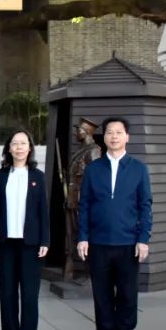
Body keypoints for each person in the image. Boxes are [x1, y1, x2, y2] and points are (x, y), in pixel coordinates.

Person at [77, 116, 152, 330]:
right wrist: (83, 237)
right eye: (110, 132)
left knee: (128, 294)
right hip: (98, 242)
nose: (114, 136)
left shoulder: (138, 169)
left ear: (127, 137)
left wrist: (143, 239)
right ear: (104, 137)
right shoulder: (93, 169)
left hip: (128, 243)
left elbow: (145, 206)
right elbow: (84, 205)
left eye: (119, 132)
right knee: (102, 294)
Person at [0, 129, 49, 330]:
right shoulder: (1, 175)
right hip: (6, 242)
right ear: (9, 149)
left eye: (23, 143)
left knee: (29, 293)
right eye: (15, 143)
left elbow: (43, 211)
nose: (19, 147)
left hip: (31, 243)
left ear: (30, 148)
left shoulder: (38, 176)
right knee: (7, 291)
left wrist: (45, 241)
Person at [63, 117, 99, 280]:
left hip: (83, 199)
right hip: (73, 198)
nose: (76, 133)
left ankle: (90, 273)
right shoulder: (81, 150)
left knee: (86, 234)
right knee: (73, 234)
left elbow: (95, 179)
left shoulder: (93, 151)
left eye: (79, 130)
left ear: (87, 132)